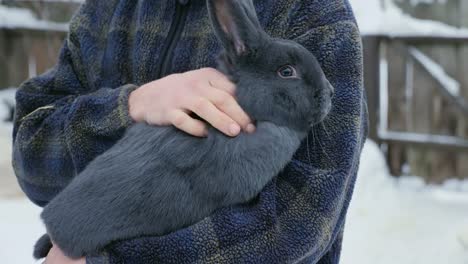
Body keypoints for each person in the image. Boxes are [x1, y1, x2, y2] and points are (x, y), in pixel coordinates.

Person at [12, 0, 368, 263]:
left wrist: (109, 260)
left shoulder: (315, 13)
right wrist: (129, 106)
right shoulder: (106, 12)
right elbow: (33, 159)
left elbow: (299, 223)